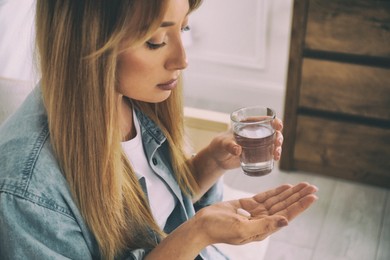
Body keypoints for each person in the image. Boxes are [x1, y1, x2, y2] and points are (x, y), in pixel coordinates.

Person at [0, 0, 318, 259]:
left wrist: (209, 165)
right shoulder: (26, 192)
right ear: (86, 42)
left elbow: (150, 212)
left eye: (184, 28)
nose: (182, 59)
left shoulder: (136, 95)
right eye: (156, 41)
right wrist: (197, 233)